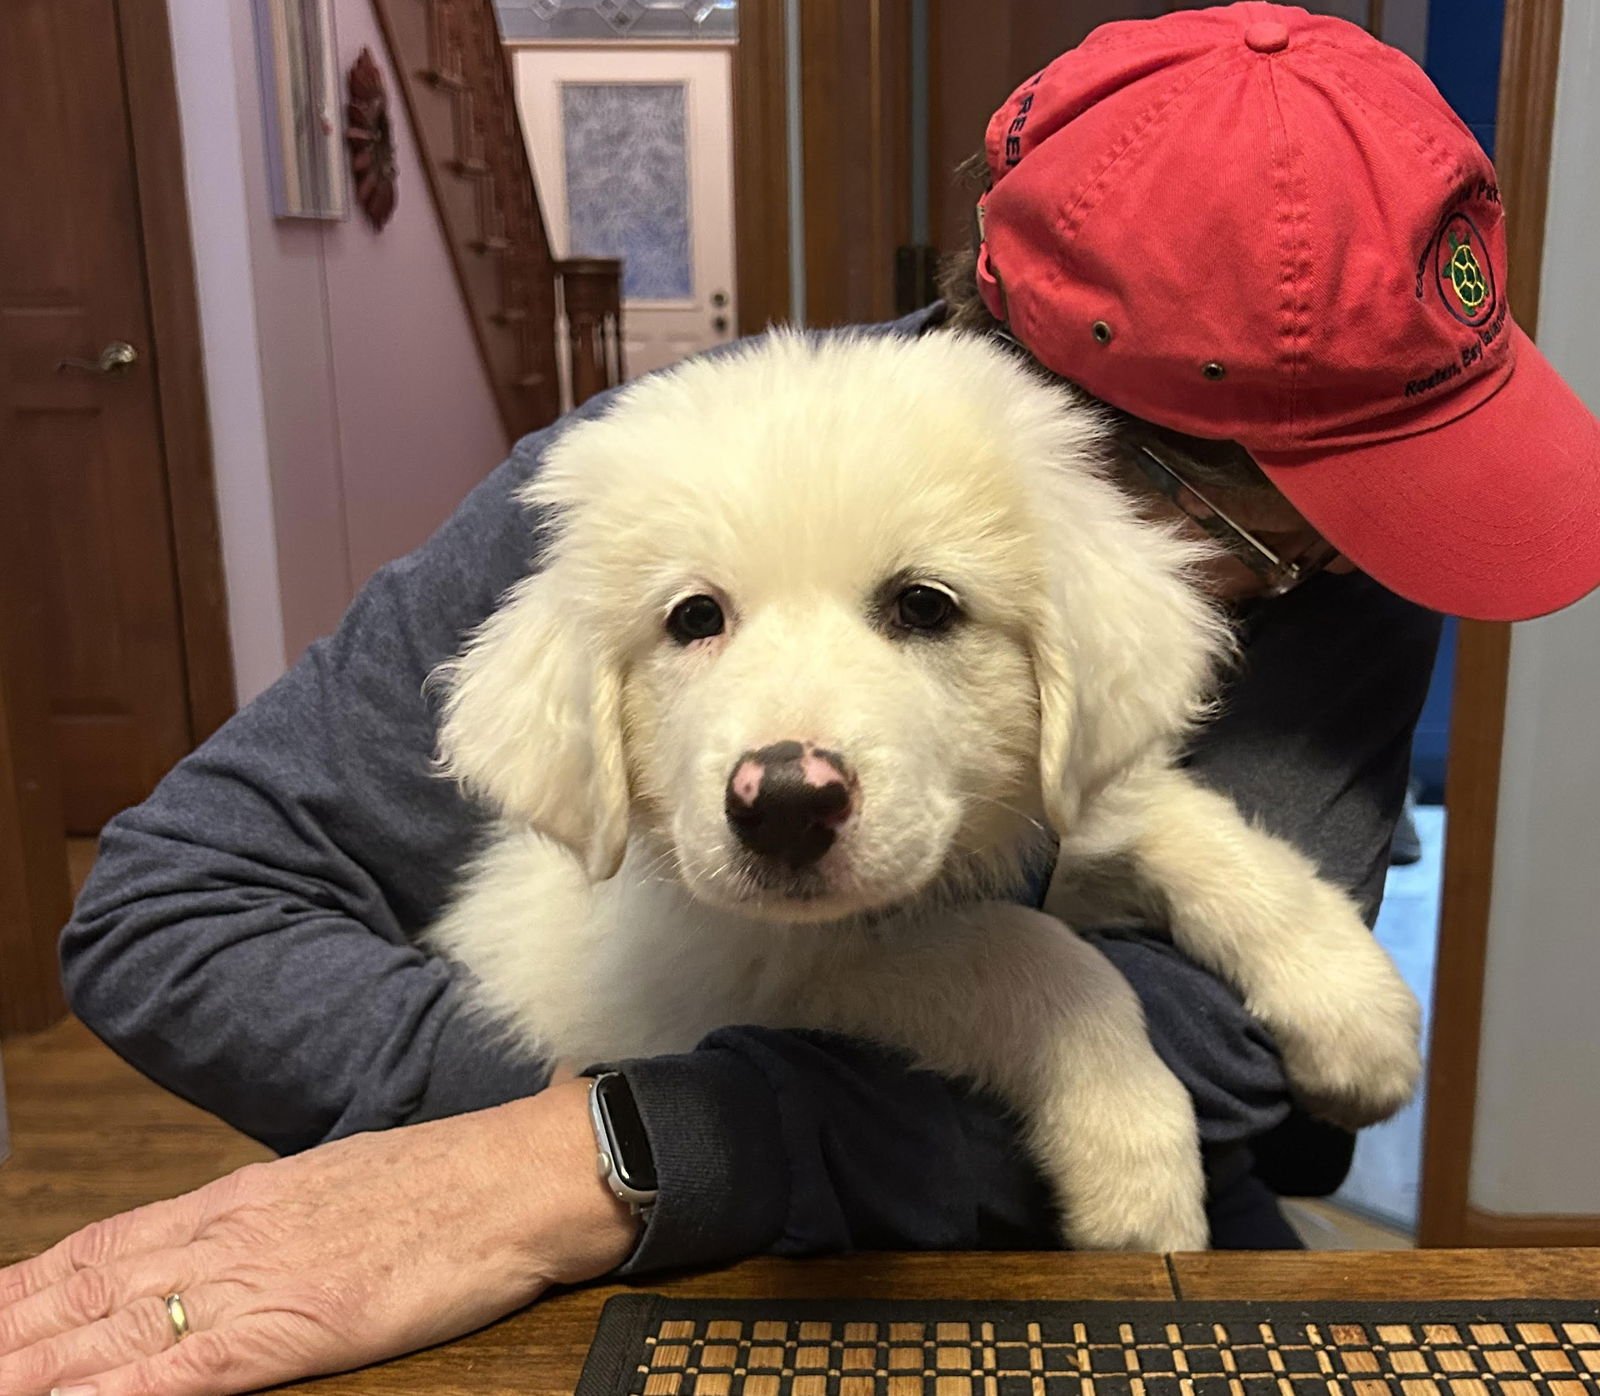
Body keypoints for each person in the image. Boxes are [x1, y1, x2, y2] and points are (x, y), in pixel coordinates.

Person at [4, 6, 1599, 1396]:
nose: (1345, 569)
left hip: (1052, 1207)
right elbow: (169, 908)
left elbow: (1235, 1054)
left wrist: (675, 1153)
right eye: (1276, 526)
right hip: (660, 1216)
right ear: (1058, 437)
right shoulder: (649, 482)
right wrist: (581, 1151)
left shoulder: (1335, 557)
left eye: (1395, 495)